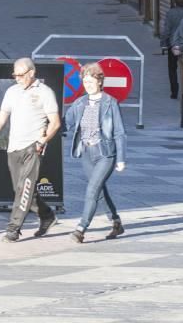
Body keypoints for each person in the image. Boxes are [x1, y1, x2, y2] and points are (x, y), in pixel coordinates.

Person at [0, 58, 61, 243]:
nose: (17, 78)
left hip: (33, 147)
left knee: (24, 189)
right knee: (21, 190)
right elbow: (1, 119)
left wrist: (42, 140)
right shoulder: (12, 92)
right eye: (15, 75)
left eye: (21, 75)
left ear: (31, 73)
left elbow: (55, 123)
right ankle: (47, 216)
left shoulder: (45, 93)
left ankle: (13, 230)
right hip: (13, 147)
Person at [64, 63, 126, 244]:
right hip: (86, 153)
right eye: (85, 81)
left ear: (100, 81)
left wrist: (121, 158)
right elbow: (66, 122)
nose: (87, 85)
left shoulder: (110, 102)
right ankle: (116, 222)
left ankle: (81, 228)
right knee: (98, 191)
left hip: (105, 153)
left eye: (91, 81)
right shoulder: (79, 103)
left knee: (92, 189)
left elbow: (119, 132)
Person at [160, 0, 183, 99]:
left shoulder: (171, 13)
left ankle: (174, 91)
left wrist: (163, 43)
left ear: (175, 1)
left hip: (173, 44)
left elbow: (167, 30)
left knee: (172, 68)